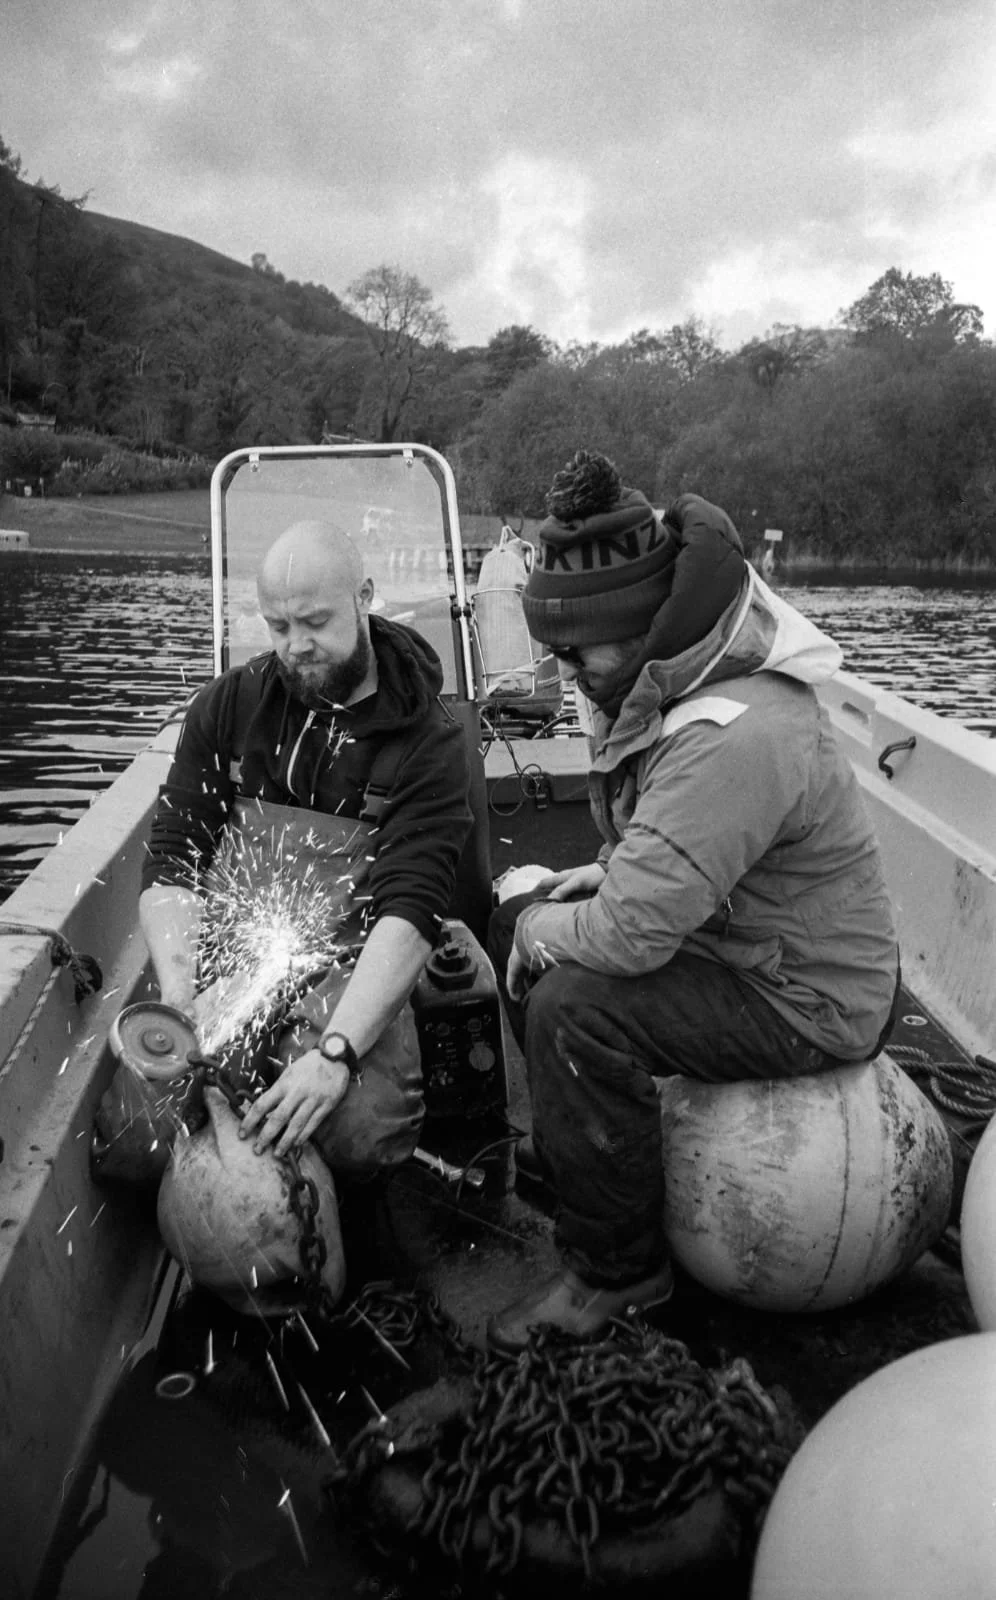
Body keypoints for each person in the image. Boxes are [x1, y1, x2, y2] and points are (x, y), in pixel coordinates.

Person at [486, 452, 900, 1351]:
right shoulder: (674, 676)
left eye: (572, 651)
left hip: (812, 994)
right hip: (744, 937)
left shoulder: (738, 731)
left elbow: (633, 936)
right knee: (531, 917)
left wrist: (544, 931)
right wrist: (600, 873)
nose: (562, 672)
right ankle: (584, 1155)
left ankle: (617, 1274)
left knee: (568, 1003)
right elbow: (676, 848)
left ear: (639, 626)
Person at [139, 519, 472, 1174]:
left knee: (363, 1128)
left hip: (349, 966)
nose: (297, 646)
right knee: (133, 1131)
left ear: (365, 597)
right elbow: (174, 855)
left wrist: (335, 1057)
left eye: (315, 622)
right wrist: (182, 999)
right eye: (279, 626)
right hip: (229, 960)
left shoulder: (429, 744)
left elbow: (412, 911)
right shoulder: (225, 707)